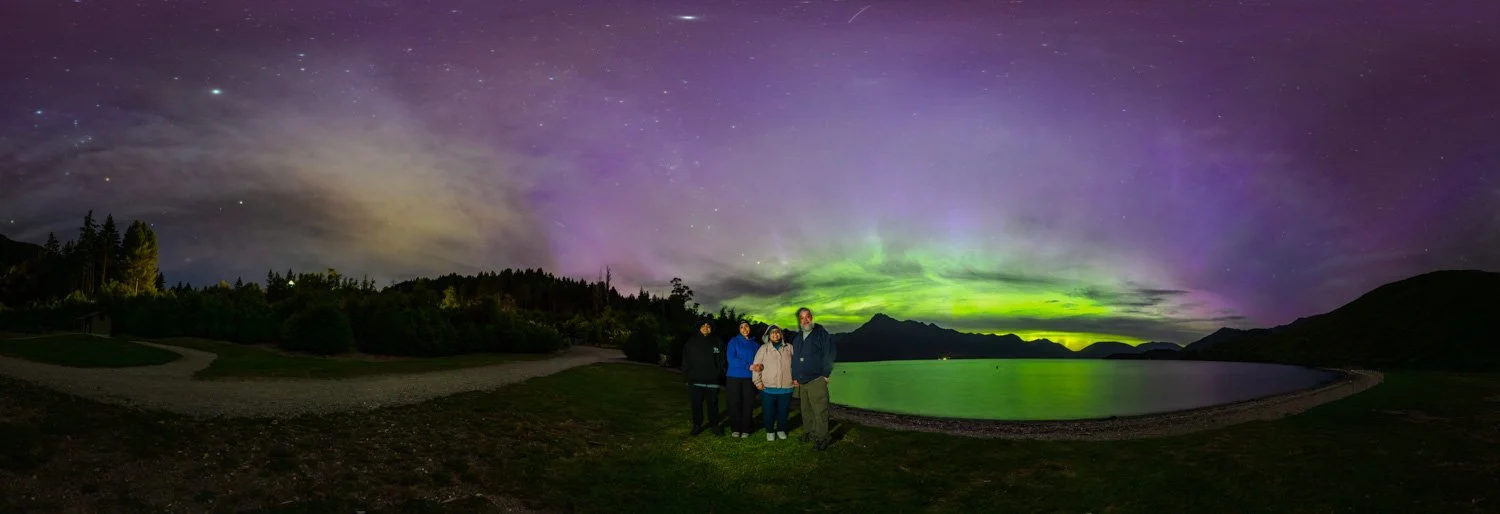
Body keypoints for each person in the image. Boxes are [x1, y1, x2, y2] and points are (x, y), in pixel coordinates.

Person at [789, 307, 836, 450]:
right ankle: (809, 432)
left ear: (812, 317)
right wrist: (795, 377)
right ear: (799, 321)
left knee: (819, 410)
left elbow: (829, 353)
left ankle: (822, 437)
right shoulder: (797, 338)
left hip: (816, 379)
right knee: (806, 409)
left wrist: (826, 374)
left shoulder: (821, 334)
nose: (805, 320)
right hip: (802, 381)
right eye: (802, 318)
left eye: (807, 316)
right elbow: (795, 359)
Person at [681, 319, 726, 436]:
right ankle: (697, 425)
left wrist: (718, 373)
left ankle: (714, 425)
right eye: (703, 326)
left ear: (711, 328)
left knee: (713, 405)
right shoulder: (691, 343)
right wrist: (688, 376)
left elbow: (722, 360)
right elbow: (686, 361)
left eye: (708, 326)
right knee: (696, 405)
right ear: (699, 328)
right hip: (695, 381)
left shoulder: (717, 342)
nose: (706, 327)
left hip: (712, 381)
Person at [751, 324, 795, 441]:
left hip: (786, 387)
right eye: (772, 333)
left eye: (777, 332)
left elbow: (796, 366)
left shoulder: (789, 348)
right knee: (768, 411)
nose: (775, 334)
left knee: (783, 411)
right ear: (768, 336)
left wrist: (796, 378)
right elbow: (756, 367)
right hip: (767, 388)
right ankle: (770, 431)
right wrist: (757, 382)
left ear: (780, 334)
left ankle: (781, 429)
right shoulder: (763, 349)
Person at [724, 320, 760, 438]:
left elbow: (759, 361)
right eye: (741, 327)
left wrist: (759, 367)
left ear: (750, 328)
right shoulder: (733, 342)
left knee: (748, 404)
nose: (745, 329)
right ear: (739, 330)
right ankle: (735, 428)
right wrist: (748, 366)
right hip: (734, 377)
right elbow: (731, 359)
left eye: (747, 326)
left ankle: (746, 428)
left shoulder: (755, 344)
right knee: (735, 403)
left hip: (749, 378)